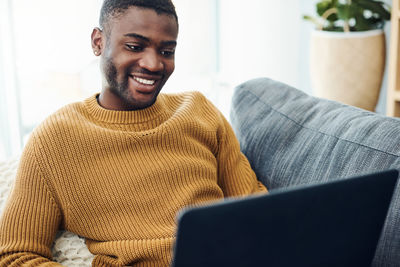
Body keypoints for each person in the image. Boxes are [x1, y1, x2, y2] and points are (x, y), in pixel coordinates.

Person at [0, 0, 267, 266]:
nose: (153, 64)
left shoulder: (199, 111)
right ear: (98, 42)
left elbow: (259, 213)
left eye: (166, 51)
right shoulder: (54, 141)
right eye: (134, 47)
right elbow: (14, 255)